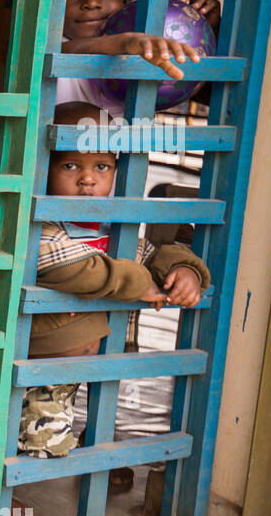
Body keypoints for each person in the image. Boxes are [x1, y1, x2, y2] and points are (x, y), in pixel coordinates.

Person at [19, 102, 210, 459]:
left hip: (95, 367)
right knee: (38, 450)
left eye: (101, 166)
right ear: (45, 167)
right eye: (71, 165)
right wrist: (138, 283)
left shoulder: (113, 227)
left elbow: (153, 252)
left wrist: (186, 271)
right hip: (43, 371)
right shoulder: (41, 225)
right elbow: (74, 266)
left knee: (83, 439)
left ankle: (99, 441)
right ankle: (8, 498)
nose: (87, 179)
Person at [58, 0, 219, 115]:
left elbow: (209, 93)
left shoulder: (143, 48)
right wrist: (119, 42)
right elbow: (61, 52)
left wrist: (211, 28)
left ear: (124, 4)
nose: (92, 3)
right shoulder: (50, 45)